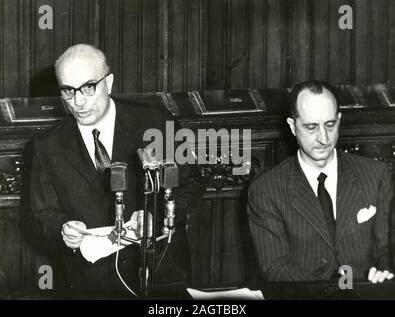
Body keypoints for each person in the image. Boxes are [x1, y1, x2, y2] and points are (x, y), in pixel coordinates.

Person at [28, 44, 205, 298]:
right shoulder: (47, 145)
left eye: (88, 87)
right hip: (90, 283)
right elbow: (40, 214)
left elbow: (192, 184)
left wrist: (155, 217)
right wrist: (62, 228)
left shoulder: (156, 122)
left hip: (159, 274)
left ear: (108, 83)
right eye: (68, 91)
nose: (78, 102)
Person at [247, 80, 394, 283]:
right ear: (292, 126)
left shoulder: (375, 175)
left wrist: (386, 274)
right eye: (311, 127)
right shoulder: (267, 189)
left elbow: (386, 249)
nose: (323, 138)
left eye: (330, 125)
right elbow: (276, 266)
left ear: (339, 120)